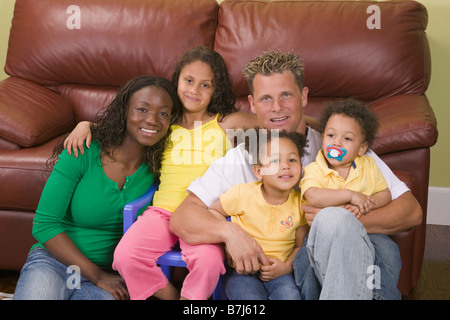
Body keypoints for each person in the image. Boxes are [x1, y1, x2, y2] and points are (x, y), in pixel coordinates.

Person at [170, 50, 422, 300]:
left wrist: (336, 223)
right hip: (290, 268)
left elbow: (411, 211)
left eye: (286, 95)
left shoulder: (336, 143)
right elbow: (183, 217)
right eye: (266, 98)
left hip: (346, 257)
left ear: (303, 96)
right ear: (252, 103)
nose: (277, 107)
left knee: (382, 248)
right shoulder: (244, 156)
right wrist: (229, 233)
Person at [64, 46, 259, 300]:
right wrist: (85, 124)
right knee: (125, 256)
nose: (194, 90)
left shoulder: (225, 123)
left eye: (205, 85)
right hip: (163, 212)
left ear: (216, 90)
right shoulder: (166, 122)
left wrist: (308, 120)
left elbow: (276, 123)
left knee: (209, 262)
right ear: (177, 80)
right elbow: (120, 127)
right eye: (189, 81)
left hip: (205, 214)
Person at [13, 75, 180, 300]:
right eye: (142, 109)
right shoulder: (82, 151)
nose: (152, 120)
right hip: (55, 262)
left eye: (163, 113)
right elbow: (44, 224)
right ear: (124, 110)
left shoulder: (163, 162)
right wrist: (97, 275)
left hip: (111, 275)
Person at [208, 131, 309, 300]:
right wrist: (228, 239)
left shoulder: (301, 204)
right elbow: (213, 211)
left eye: (292, 160)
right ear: (259, 171)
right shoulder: (242, 194)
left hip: (279, 273)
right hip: (241, 271)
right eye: (275, 160)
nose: (286, 165)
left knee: (290, 296)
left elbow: (300, 246)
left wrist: (285, 267)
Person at [300, 98, 391, 219]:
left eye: (347, 138)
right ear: (323, 139)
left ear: (361, 148)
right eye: (331, 135)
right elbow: (313, 197)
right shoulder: (314, 169)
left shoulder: (368, 165)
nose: (336, 143)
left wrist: (363, 204)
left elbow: (385, 194)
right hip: (326, 233)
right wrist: (350, 196)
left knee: (382, 239)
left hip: (364, 231)